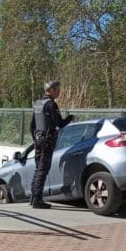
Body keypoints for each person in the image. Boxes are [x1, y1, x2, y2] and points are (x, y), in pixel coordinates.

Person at [29, 81, 74, 209]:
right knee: (43, 170)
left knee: (38, 169)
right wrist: (70, 118)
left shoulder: (38, 103)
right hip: (47, 140)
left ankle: (33, 197)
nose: (59, 92)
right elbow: (60, 123)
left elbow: (31, 126)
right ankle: (37, 200)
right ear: (51, 90)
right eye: (58, 90)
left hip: (39, 140)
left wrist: (36, 139)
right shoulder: (51, 104)